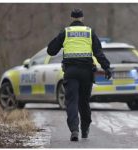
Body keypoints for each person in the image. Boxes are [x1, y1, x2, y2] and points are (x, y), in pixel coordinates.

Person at [47, 8, 111, 141]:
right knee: (84, 102)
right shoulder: (89, 32)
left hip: (71, 72)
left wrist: (59, 40)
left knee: (71, 101)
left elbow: (51, 51)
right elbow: (98, 53)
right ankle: (85, 129)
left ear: (71, 18)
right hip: (86, 72)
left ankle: (74, 130)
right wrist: (107, 67)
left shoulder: (66, 32)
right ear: (82, 18)